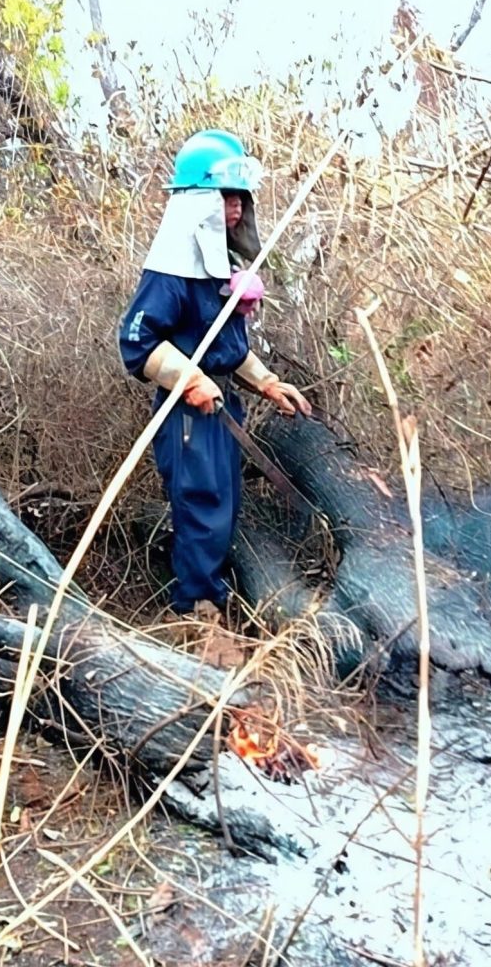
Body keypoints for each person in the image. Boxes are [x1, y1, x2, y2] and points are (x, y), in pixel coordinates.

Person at [119, 128, 312, 622]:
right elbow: (137, 343)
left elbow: (226, 347)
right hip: (189, 414)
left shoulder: (217, 265)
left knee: (224, 502)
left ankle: (214, 598)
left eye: (240, 198)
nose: (237, 209)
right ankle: (195, 613)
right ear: (198, 201)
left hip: (225, 405)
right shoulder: (169, 272)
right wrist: (187, 379)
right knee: (201, 505)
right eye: (227, 197)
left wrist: (266, 380)